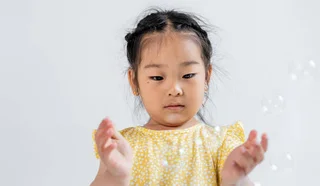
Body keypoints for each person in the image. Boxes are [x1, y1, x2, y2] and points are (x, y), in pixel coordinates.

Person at [90, 9, 269, 186]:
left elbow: (237, 180)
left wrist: (236, 179)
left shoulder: (221, 144)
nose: (175, 90)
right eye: (157, 77)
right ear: (134, 81)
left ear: (206, 77)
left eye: (188, 75)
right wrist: (115, 178)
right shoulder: (123, 147)